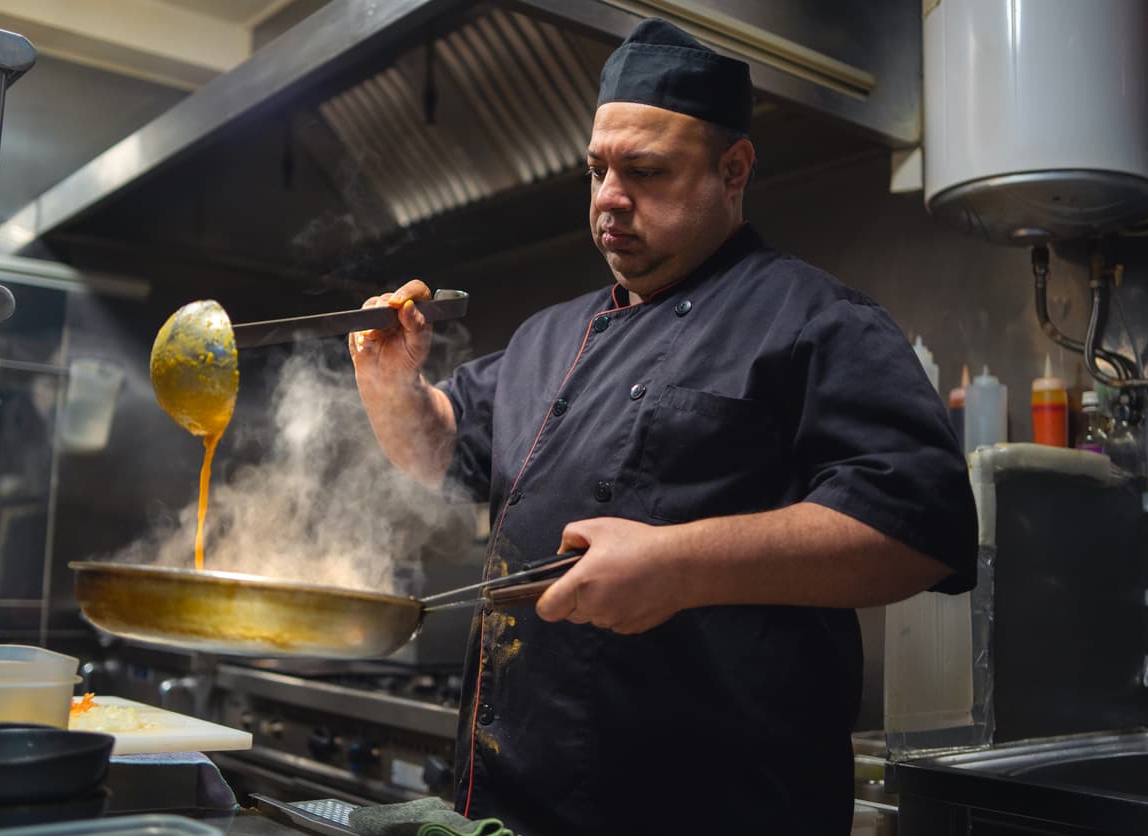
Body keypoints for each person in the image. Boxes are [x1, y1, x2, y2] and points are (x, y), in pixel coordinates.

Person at [349, 17, 977, 836]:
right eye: (599, 169)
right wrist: (392, 384)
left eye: (646, 171)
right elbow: (440, 450)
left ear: (734, 169)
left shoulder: (815, 320)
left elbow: (920, 524)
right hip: (509, 809)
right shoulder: (549, 335)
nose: (611, 197)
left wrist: (678, 565)